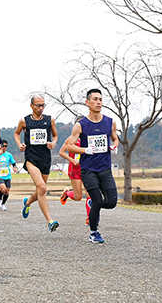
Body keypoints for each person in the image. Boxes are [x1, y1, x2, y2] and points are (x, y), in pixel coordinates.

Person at [66, 89, 119, 244]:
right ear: (87, 103)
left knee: (111, 202)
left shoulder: (110, 122)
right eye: (95, 99)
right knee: (97, 200)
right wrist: (85, 150)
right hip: (88, 169)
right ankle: (94, 232)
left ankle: (93, 204)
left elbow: (115, 139)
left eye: (101, 99)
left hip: (105, 168)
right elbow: (69, 146)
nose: (99, 102)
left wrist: (114, 146)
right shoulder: (80, 125)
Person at [13, 95, 60, 232]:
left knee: (40, 190)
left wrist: (54, 143)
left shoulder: (49, 120)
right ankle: (49, 221)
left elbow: (55, 135)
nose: (41, 108)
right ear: (31, 105)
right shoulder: (24, 121)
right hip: (31, 158)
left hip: (45, 158)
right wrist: (19, 144)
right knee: (42, 187)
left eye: (43, 105)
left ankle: (27, 202)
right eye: (38, 105)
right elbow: (16, 134)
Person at [58, 128, 92, 225]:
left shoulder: (89, 138)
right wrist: (72, 160)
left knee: (90, 193)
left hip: (87, 169)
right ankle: (67, 193)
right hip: (75, 169)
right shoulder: (71, 139)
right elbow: (61, 152)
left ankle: (89, 218)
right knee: (78, 197)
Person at [0, 139, 18, 211]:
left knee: (7, 191)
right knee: (3, 188)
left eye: (6, 146)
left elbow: (13, 163)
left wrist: (15, 167)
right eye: (3, 146)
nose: (4, 147)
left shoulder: (8, 155)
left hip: (7, 175)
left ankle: (3, 204)